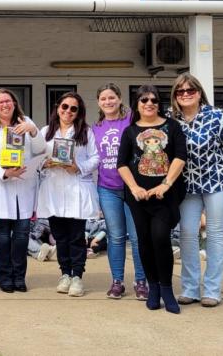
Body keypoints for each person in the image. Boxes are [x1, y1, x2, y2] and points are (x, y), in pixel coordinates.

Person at [170, 73, 223, 308]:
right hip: (186, 183)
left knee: (214, 233)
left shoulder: (218, 117)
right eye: (180, 91)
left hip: (217, 180)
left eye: (190, 90)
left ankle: (212, 289)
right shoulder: (171, 120)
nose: (185, 95)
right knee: (187, 232)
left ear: (199, 92)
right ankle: (190, 288)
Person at [117, 84, 188, 314]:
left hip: (165, 197)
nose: (149, 104)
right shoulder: (130, 132)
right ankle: (153, 288)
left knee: (160, 238)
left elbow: (180, 157)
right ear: (137, 104)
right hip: (139, 199)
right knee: (144, 242)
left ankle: (167, 289)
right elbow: (122, 164)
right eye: (144, 100)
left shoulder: (172, 126)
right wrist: (135, 187)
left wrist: (165, 184)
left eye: (154, 100)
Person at [0, 87, 44, 293]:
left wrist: (32, 130)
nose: (5, 105)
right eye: (1, 103)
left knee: (22, 235)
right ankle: (4, 276)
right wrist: (4, 173)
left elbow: (41, 149)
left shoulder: (26, 122)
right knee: (3, 235)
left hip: (24, 184)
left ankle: (19, 276)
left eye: (9, 101)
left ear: (14, 104)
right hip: (0, 186)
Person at [36, 92, 99, 298]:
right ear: (57, 108)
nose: (68, 112)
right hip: (53, 188)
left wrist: (78, 167)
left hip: (76, 189)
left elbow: (96, 158)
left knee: (76, 236)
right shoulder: (45, 132)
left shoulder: (85, 132)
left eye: (74, 108)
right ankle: (64, 274)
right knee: (60, 237)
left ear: (79, 112)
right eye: (65, 107)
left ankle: (77, 276)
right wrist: (44, 164)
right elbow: (35, 158)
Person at [92, 83, 146, 300]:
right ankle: (117, 281)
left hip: (133, 187)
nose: (108, 102)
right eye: (103, 98)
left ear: (120, 98)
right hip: (108, 188)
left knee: (137, 237)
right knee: (115, 237)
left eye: (112, 97)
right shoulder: (95, 127)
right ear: (98, 102)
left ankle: (141, 281)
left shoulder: (131, 120)